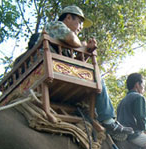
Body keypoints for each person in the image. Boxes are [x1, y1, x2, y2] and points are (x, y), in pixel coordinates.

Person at [35, 6, 133, 135]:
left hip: (57, 69)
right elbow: (72, 39)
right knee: (97, 77)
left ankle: (96, 116)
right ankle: (108, 120)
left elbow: (76, 64)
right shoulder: (56, 25)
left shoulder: (60, 40)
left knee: (90, 75)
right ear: (68, 17)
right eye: (80, 22)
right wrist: (83, 45)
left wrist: (87, 53)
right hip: (49, 70)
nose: (81, 27)